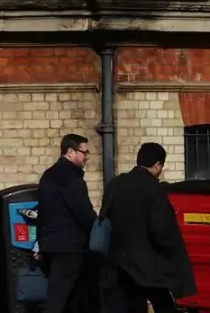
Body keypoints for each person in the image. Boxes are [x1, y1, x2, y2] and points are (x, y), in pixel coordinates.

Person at [101, 142, 196, 313]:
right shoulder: (154, 189)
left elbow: (105, 218)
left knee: (124, 305)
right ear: (157, 165)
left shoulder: (115, 184)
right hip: (147, 264)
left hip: (118, 261)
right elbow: (161, 231)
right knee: (163, 304)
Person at [36, 133, 97, 313]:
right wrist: (98, 227)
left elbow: (43, 212)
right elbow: (84, 214)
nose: (86, 157)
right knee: (59, 299)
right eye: (84, 152)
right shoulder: (72, 178)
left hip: (50, 245)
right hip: (69, 247)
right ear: (70, 152)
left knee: (71, 298)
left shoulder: (48, 175)